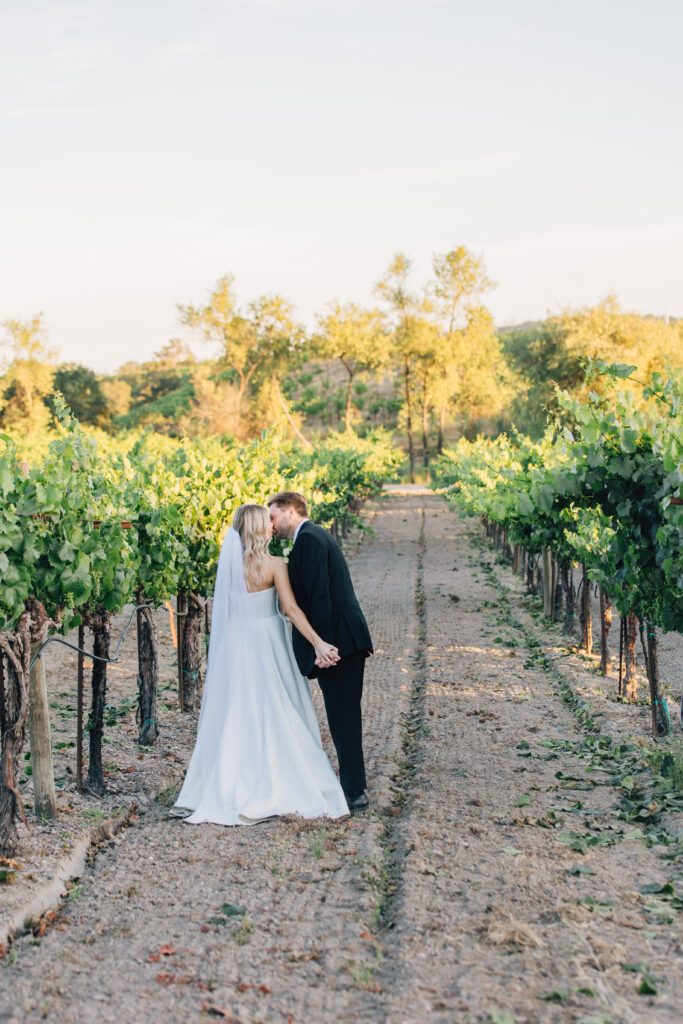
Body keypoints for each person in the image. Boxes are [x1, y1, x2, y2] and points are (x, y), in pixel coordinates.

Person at [172, 504, 349, 825]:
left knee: (238, 709)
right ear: (256, 529)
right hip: (268, 640)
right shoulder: (274, 565)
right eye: (265, 522)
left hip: (236, 642)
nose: (271, 525)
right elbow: (292, 611)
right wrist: (319, 643)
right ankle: (280, 778)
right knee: (276, 706)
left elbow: (225, 612)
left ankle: (231, 779)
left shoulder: (228, 567)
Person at [267, 491, 372, 811]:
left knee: (343, 718)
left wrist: (322, 647)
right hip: (341, 640)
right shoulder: (313, 535)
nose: (271, 525)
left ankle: (354, 792)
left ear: (290, 510)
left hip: (338, 644)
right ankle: (353, 787)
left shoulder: (310, 538)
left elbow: (319, 599)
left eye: (273, 516)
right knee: (344, 717)